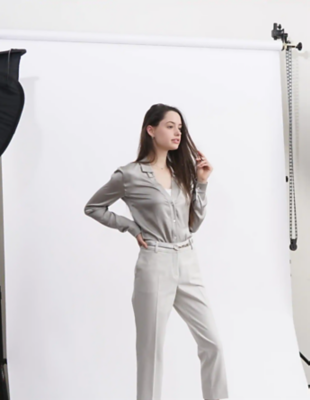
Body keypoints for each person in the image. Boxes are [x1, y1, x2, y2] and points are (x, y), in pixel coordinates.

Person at [84, 103, 229, 400]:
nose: (177, 132)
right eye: (169, 126)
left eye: (179, 127)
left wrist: (201, 184)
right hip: (155, 263)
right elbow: (93, 207)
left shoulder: (181, 172)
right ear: (151, 130)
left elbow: (194, 224)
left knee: (212, 344)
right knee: (151, 353)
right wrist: (130, 227)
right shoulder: (128, 175)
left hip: (187, 261)